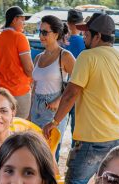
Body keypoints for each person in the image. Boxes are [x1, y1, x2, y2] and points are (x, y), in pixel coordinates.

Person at [42, 13, 119, 184]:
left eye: (86, 35)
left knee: (75, 182)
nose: (83, 38)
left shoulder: (87, 56)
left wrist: (55, 122)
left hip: (95, 137)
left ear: (98, 37)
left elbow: (71, 93)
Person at [30, 15, 74, 158]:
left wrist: (59, 100)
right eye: (40, 32)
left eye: (45, 32)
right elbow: (34, 87)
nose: (41, 36)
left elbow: (78, 84)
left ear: (56, 34)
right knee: (34, 153)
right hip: (36, 107)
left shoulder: (65, 56)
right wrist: (30, 113)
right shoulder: (38, 57)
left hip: (53, 111)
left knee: (49, 155)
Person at [0, 6, 33, 119]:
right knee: (20, 129)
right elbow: (29, 69)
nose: (24, 23)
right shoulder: (20, 38)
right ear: (14, 19)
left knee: (4, 128)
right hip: (20, 92)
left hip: (1, 92)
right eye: (22, 20)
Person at [65, 9, 85, 139]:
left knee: (58, 130)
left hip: (62, 89)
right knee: (76, 131)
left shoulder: (62, 42)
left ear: (68, 23)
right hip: (79, 89)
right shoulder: (84, 42)